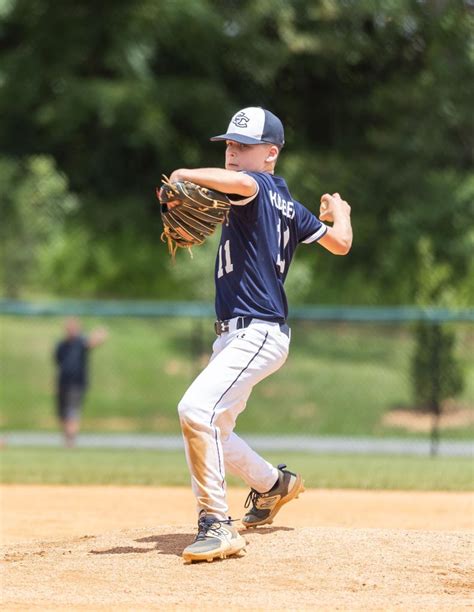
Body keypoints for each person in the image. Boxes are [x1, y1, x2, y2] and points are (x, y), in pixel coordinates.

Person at [168, 107, 353, 563]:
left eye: (243, 146)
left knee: (195, 410)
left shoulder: (257, 185)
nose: (232, 152)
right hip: (238, 336)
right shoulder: (291, 207)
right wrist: (342, 213)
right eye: (229, 144)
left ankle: (216, 524)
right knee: (215, 428)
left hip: (258, 331)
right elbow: (340, 243)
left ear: (271, 153)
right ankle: (274, 484)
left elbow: (240, 184)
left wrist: (182, 173)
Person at [54, 317, 108, 447]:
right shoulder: (61, 345)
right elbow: (59, 364)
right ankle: (67, 439)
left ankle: (71, 440)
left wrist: (100, 334)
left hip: (77, 384)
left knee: (72, 411)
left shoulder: (80, 343)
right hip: (63, 383)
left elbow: (92, 343)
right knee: (62, 413)